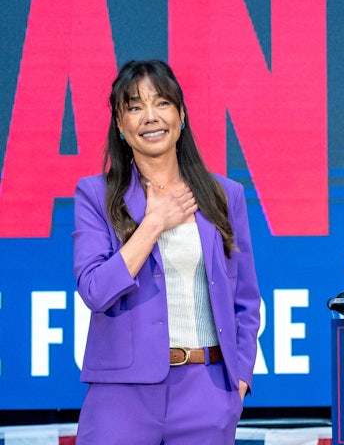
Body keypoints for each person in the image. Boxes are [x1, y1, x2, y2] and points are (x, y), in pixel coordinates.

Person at [73, 60, 261, 444]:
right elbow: (95, 290)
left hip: (206, 392)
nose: (150, 117)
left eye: (161, 103)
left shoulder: (225, 195)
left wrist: (238, 381)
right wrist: (154, 224)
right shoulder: (95, 194)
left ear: (181, 114)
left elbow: (245, 299)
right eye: (135, 107)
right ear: (121, 126)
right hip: (121, 395)